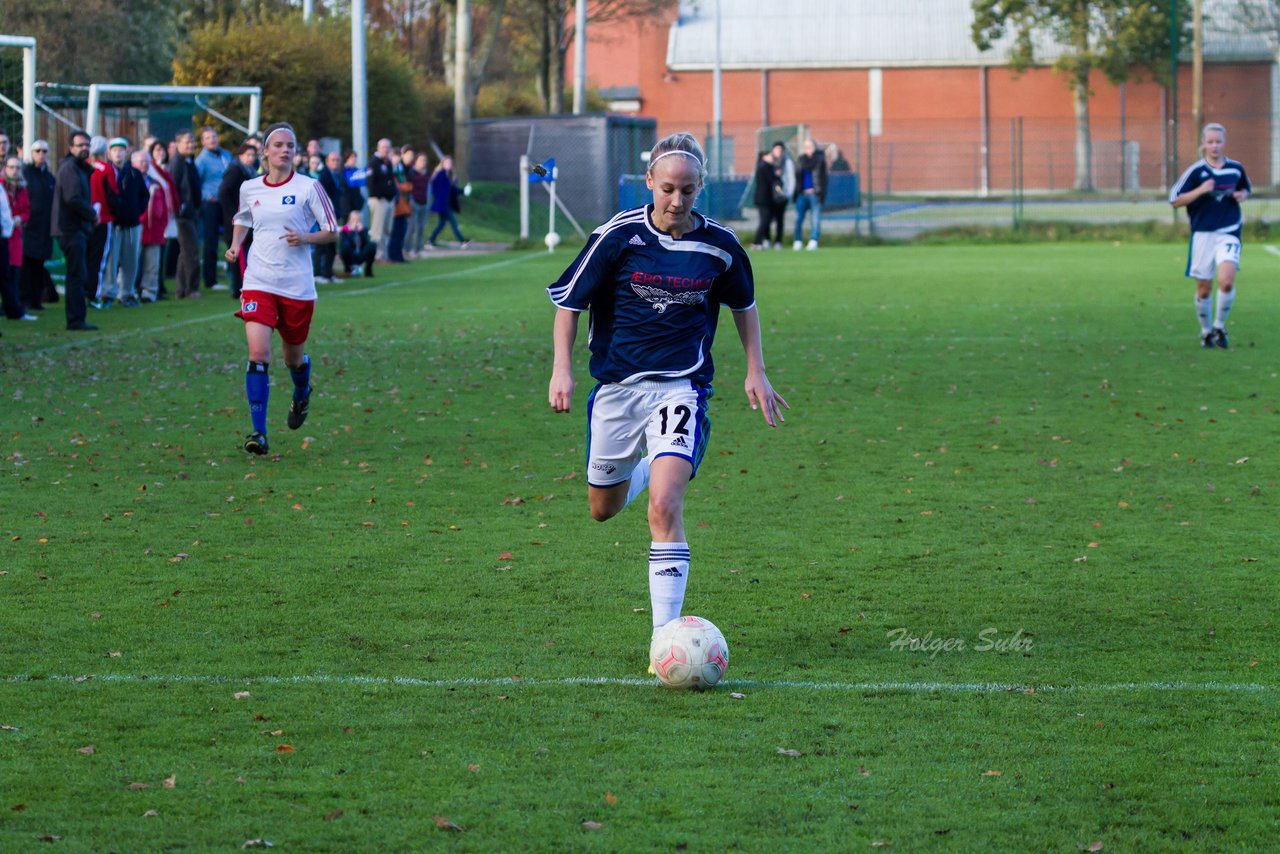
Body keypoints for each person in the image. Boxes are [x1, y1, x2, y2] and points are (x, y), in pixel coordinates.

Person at [546, 131, 789, 667]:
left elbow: (743, 305)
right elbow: (568, 305)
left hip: (682, 387)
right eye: (668, 189)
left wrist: (757, 370)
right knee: (602, 509)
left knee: (665, 504)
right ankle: (647, 466)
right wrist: (562, 370)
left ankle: (663, 640)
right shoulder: (616, 238)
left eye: (688, 190)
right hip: (617, 390)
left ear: (701, 188)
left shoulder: (720, 246)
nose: (677, 201)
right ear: (650, 184)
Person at [224, 121, 338, 456]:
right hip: (259, 282)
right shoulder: (250, 187)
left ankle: (302, 392)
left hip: (297, 287)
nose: (285, 150)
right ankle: (258, 433)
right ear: (265, 152)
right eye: (279, 145)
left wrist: (305, 237)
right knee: (258, 354)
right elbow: (243, 218)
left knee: (293, 359)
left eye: (291, 145)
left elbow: (332, 230)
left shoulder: (309, 187)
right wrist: (235, 246)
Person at [1170, 122, 1251, 349]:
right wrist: (1200, 190)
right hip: (1203, 235)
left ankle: (1219, 326)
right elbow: (1175, 200)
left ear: (1224, 143)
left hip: (1229, 231)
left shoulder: (1235, 168)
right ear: (1203, 144)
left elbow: (1246, 188)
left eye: (1218, 141)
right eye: (1210, 142)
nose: (1215, 146)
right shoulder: (1196, 172)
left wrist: (1242, 194)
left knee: (1226, 281)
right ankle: (1205, 331)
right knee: (1204, 288)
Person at [52, 131, 99, 331]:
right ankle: (75, 320)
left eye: (87, 144)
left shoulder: (78, 169)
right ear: (70, 148)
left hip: (75, 229)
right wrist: (92, 214)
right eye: (80, 145)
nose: (84, 148)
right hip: (70, 229)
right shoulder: (69, 168)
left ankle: (77, 318)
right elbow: (72, 199)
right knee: (76, 275)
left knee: (79, 274)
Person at [106, 139, 148, 307]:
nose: (118, 153)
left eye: (121, 150)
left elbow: (144, 195)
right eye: (115, 150)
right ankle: (108, 293)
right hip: (114, 224)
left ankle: (127, 292)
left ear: (127, 152)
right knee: (111, 261)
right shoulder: (107, 172)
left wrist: (137, 211)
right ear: (109, 153)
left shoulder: (134, 173)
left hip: (132, 224)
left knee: (131, 261)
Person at [219, 141, 260, 297]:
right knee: (237, 254)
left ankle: (243, 286)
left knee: (245, 254)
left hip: (246, 219)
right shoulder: (235, 171)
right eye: (247, 155)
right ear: (240, 155)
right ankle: (237, 288)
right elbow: (223, 192)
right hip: (237, 221)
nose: (250, 158)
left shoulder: (249, 171)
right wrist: (232, 215)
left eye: (253, 155)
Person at [21, 139, 57, 311]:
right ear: (32, 153)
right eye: (37, 151)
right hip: (28, 227)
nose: (41, 154)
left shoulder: (50, 177)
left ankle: (35, 300)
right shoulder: (25, 173)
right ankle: (25, 299)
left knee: (38, 265)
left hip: (44, 228)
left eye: (44, 151)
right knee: (26, 264)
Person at [196, 127, 233, 291]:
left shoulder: (226, 155)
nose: (212, 140)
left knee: (231, 238)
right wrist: (206, 195)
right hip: (211, 203)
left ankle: (233, 274)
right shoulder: (201, 160)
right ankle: (210, 279)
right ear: (203, 141)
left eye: (214, 136)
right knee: (211, 241)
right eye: (208, 137)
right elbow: (196, 182)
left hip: (227, 203)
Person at [138, 147, 174, 304]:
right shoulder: (130, 180)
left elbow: (164, 208)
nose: (144, 165)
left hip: (155, 231)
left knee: (152, 265)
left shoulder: (156, 184)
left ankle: (149, 292)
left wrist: (162, 225)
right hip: (137, 228)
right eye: (141, 162)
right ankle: (127, 291)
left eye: (146, 162)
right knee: (131, 265)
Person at [0, 155, 34, 322]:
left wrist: (20, 218)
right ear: (5, 168)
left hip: (14, 235)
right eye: (11, 167)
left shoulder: (22, 189)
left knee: (12, 273)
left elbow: (27, 210)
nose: (14, 171)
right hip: (4, 233)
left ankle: (12, 308)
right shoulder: (2, 187)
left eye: (17, 167)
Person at [172, 131, 202, 299]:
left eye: (192, 143)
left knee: (185, 253)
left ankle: (181, 290)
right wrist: (180, 208)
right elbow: (175, 186)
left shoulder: (189, 161)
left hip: (191, 212)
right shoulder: (177, 162)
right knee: (191, 252)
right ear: (178, 144)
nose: (190, 146)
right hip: (183, 214)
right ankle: (191, 289)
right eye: (187, 143)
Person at [314, 150, 345, 280]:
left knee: (332, 246)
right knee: (322, 245)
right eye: (333, 160)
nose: (336, 162)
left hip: (333, 215)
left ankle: (328, 273)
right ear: (327, 162)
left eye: (337, 160)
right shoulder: (324, 176)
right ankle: (318, 273)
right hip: (324, 216)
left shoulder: (337, 175)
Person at [792, 137, 827, 251]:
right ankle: (797, 241)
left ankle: (813, 241)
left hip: (814, 194)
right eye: (806, 146)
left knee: (815, 219)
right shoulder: (801, 160)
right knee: (798, 219)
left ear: (814, 147)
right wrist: (796, 193)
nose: (808, 148)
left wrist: (821, 193)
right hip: (802, 194)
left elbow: (824, 179)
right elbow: (797, 177)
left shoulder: (820, 160)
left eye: (810, 146)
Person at [427, 155, 469, 248]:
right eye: (447, 162)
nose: (449, 164)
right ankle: (462, 241)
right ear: (442, 164)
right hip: (443, 204)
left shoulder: (447, 175)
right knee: (453, 223)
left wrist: (463, 191)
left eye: (450, 163)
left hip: (445, 204)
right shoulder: (441, 174)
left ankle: (430, 240)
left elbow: (451, 190)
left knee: (441, 224)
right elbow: (441, 190)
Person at [365, 138, 397, 259]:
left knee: (387, 230)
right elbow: (370, 183)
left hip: (388, 200)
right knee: (377, 231)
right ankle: (376, 256)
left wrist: (392, 195)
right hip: (378, 201)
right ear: (378, 148)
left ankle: (384, 255)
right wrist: (380, 196)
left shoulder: (387, 162)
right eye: (384, 147)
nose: (386, 150)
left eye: (388, 147)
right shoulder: (373, 162)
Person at [387, 144, 415, 263]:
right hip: (397, 203)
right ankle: (393, 255)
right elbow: (399, 186)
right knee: (395, 231)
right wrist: (406, 187)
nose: (397, 158)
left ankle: (398, 255)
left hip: (403, 203)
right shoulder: (393, 169)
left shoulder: (402, 169)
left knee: (401, 230)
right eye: (395, 156)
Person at [766, 141, 794, 250]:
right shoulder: (769, 161)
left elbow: (791, 179)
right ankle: (767, 240)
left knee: (780, 220)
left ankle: (778, 241)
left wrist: (788, 194)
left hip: (782, 195)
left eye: (780, 150)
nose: (778, 152)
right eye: (776, 149)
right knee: (767, 219)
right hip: (770, 196)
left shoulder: (787, 162)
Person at [750, 149, 779, 250]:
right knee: (765, 220)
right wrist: (777, 175)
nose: (772, 158)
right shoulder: (765, 167)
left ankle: (766, 241)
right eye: (770, 155)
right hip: (764, 199)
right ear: (764, 157)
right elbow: (771, 180)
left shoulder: (763, 166)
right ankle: (756, 242)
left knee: (766, 220)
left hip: (764, 199)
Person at [338, 209, 377, 277]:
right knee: (345, 246)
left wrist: (361, 232)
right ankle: (348, 269)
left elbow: (366, 243)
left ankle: (368, 270)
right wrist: (351, 232)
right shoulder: (344, 230)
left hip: (360, 254)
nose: (355, 222)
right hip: (350, 254)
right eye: (353, 220)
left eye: (358, 220)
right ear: (349, 220)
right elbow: (344, 244)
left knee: (372, 245)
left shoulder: (363, 229)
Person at [408, 152, 432, 258]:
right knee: (411, 227)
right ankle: (407, 249)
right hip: (414, 202)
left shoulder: (427, 173)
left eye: (424, 160)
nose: (423, 162)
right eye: (421, 160)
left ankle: (418, 249)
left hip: (424, 203)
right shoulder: (412, 172)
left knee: (421, 228)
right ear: (416, 161)